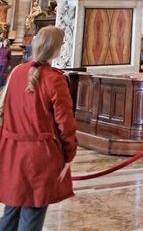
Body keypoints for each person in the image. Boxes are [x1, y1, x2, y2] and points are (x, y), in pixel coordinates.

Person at [0, 25, 77, 231]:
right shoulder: (55, 79)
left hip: (12, 151)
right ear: (57, 49)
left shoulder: (16, 72)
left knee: (12, 209)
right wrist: (69, 154)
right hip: (39, 155)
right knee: (32, 214)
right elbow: (65, 123)